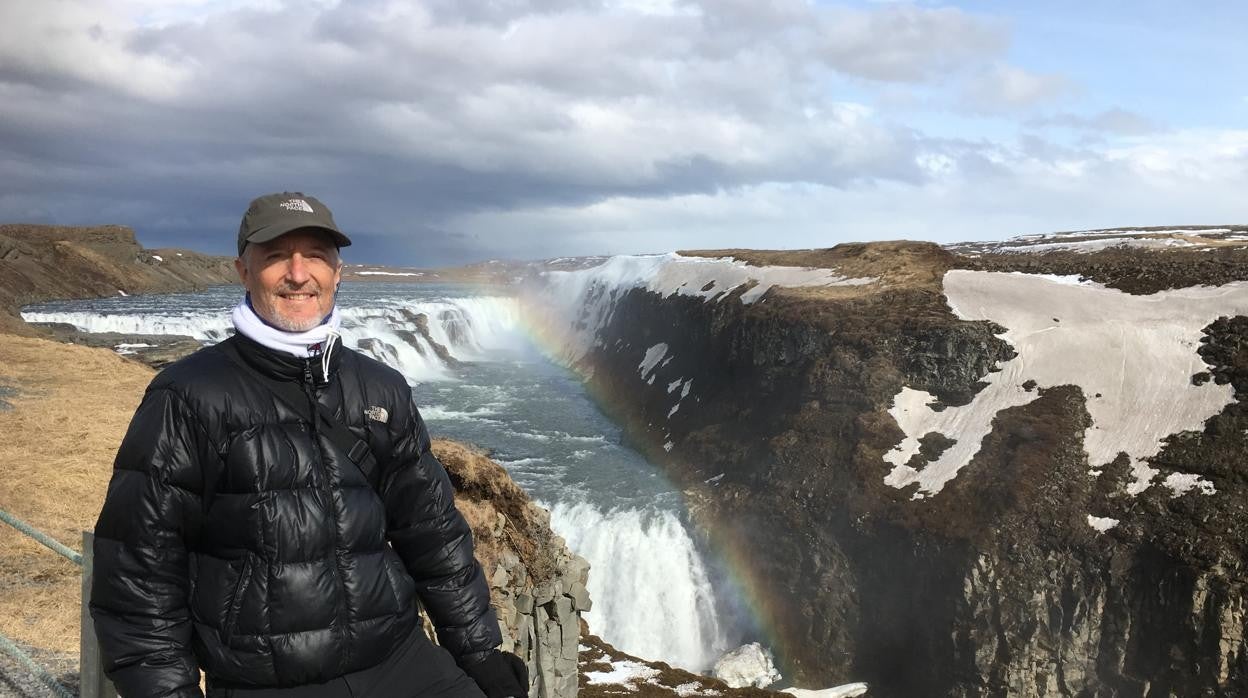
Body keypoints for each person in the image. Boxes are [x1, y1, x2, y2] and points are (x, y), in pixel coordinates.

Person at [90, 192, 528, 698]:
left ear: (337, 272)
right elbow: (140, 574)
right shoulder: (188, 397)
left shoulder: (380, 387)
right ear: (243, 269)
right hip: (268, 682)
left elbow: (431, 531)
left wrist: (479, 653)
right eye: (276, 255)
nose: (298, 273)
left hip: (401, 660)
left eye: (316, 255)